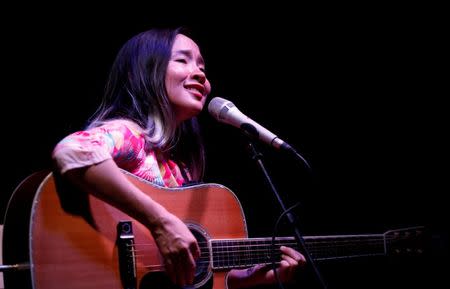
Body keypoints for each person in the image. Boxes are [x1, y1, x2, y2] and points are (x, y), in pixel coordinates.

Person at [51, 26, 305, 288]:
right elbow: (72, 150)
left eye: (202, 67)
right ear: (145, 71)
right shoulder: (130, 135)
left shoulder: (181, 169)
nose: (199, 74)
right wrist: (161, 222)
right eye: (182, 60)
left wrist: (255, 279)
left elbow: (191, 272)